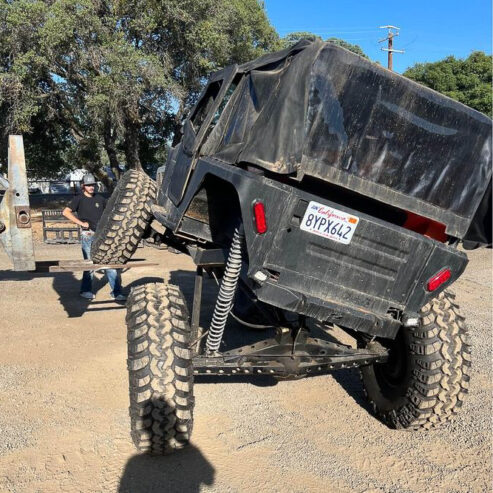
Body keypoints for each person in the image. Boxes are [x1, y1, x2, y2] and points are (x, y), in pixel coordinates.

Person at [62, 173, 126, 301]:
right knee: (90, 264)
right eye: (89, 185)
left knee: (109, 263)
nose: (91, 187)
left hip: (102, 236)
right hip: (88, 236)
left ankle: (116, 292)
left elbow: (109, 213)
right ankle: (85, 290)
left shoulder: (100, 199)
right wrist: (81, 223)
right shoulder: (78, 199)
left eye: (93, 185)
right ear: (83, 186)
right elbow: (66, 212)